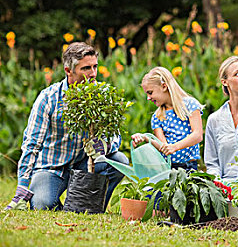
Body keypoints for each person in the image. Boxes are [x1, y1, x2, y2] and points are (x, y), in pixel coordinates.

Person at [5, 42, 128, 211]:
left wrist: (104, 145)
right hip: (51, 167)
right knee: (42, 205)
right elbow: (31, 144)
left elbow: (115, 135)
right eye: (86, 68)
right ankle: (66, 204)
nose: (93, 74)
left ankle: (92, 206)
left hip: (84, 165)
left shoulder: (101, 96)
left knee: (119, 161)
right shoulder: (48, 98)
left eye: (95, 67)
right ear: (68, 71)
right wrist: (22, 187)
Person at [131, 67, 204, 172]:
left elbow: (197, 135)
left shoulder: (190, 105)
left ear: (164, 86)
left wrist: (175, 147)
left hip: (189, 166)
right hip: (169, 168)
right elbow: (163, 147)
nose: (148, 98)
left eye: (150, 92)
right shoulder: (157, 117)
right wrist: (145, 138)